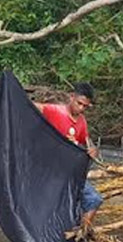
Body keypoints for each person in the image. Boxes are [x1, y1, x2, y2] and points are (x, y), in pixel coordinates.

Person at [33, 82, 103, 230]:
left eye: (85, 106)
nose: (81, 108)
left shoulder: (82, 121)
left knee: (94, 200)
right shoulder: (55, 111)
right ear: (72, 97)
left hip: (70, 173)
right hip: (50, 170)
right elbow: (31, 106)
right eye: (79, 104)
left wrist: (92, 150)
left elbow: (86, 141)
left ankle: (80, 234)